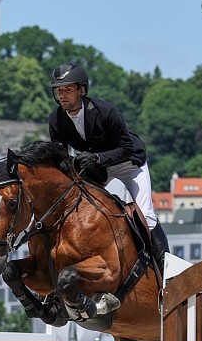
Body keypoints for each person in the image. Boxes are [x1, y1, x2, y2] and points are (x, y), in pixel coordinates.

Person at [48, 62, 170, 275]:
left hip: (128, 163)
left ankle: (167, 274)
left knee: (147, 216)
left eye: (68, 89)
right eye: (59, 90)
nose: (62, 95)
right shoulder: (56, 119)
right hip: (96, 169)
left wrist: (96, 157)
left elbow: (126, 148)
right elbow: (60, 155)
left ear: (82, 90)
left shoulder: (106, 112)